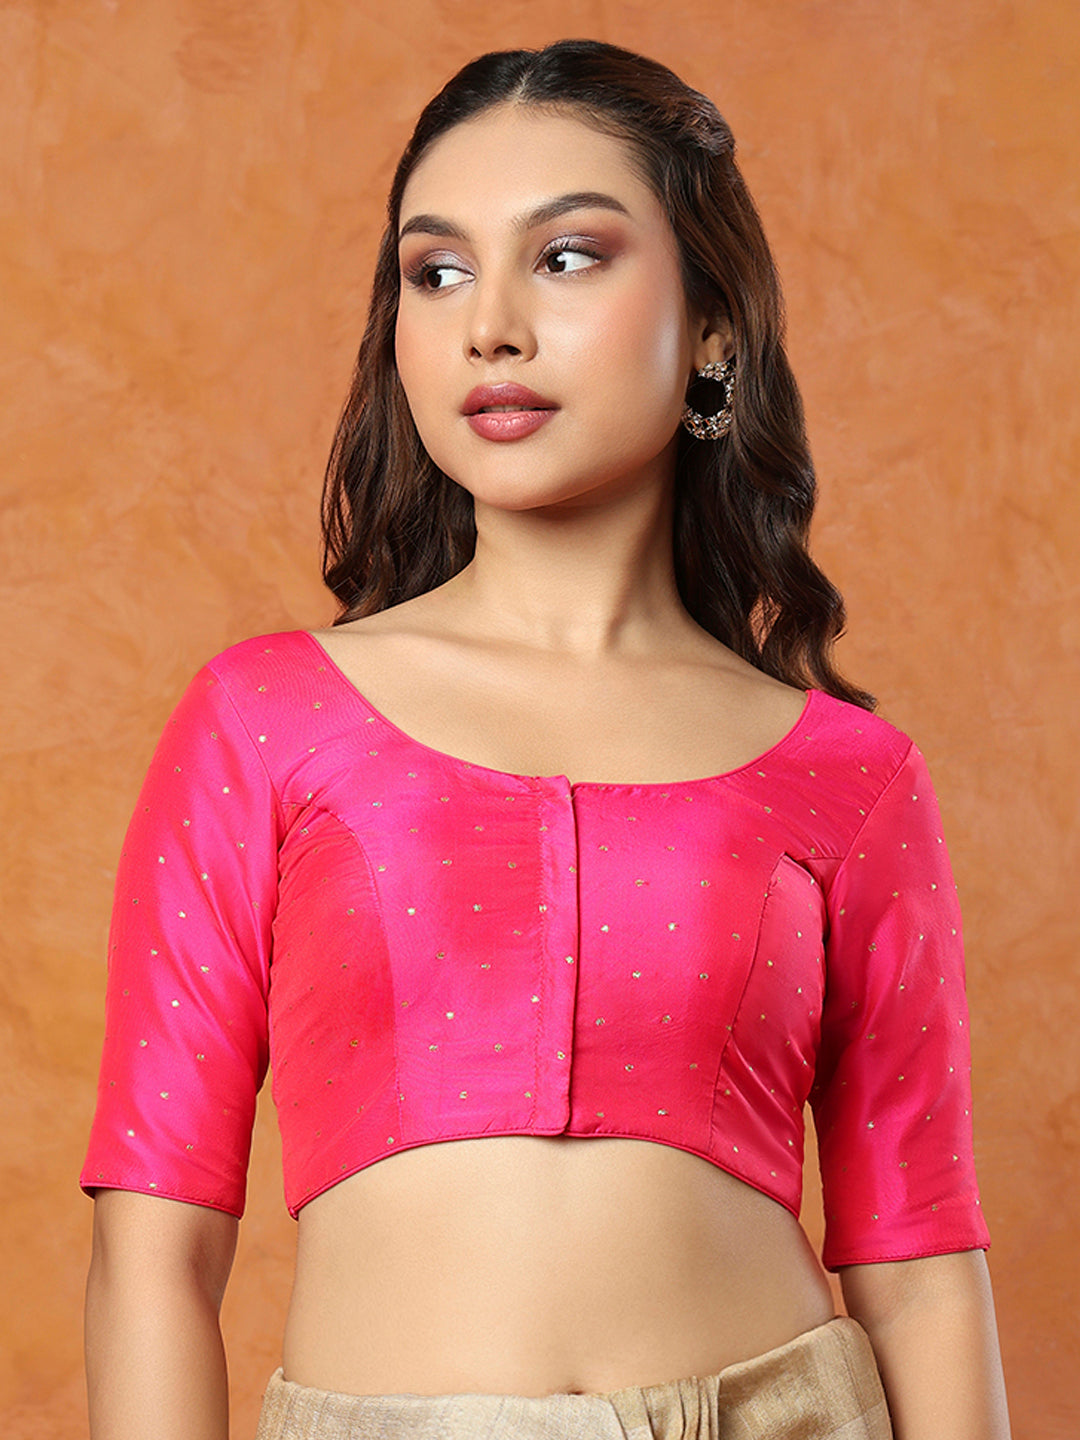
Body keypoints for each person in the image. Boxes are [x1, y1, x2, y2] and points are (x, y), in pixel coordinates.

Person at [80, 38, 1011, 1440]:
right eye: (437, 271)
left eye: (567, 257)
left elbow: (923, 1272)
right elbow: (153, 1250)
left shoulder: (849, 777)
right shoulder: (264, 721)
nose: (491, 327)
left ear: (713, 327)